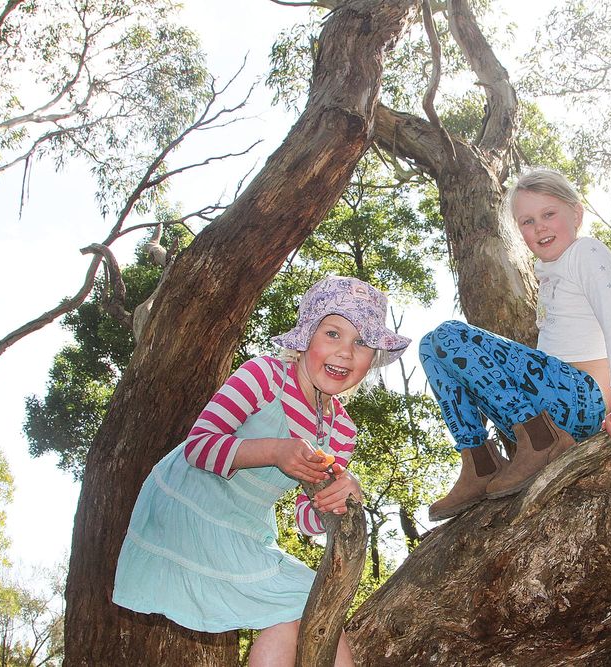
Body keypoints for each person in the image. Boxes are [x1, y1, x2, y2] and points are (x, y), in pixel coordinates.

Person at [112, 276, 410, 666]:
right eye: (333, 333)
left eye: (363, 343)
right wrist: (274, 450)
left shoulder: (341, 430)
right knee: (301, 601)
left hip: (244, 528)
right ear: (305, 338)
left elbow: (308, 518)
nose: (345, 352)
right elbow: (199, 447)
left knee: (302, 606)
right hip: (188, 505)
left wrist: (342, 496)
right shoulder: (264, 376)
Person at [421, 168, 611, 521]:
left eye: (549, 214)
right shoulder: (549, 274)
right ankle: (479, 460)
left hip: (582, 399)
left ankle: (541, 440)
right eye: (527, 221)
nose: (539, 227)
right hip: (548, 409)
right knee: (430, 346)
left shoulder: (586, 252)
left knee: (450, 335)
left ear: (577, 213)